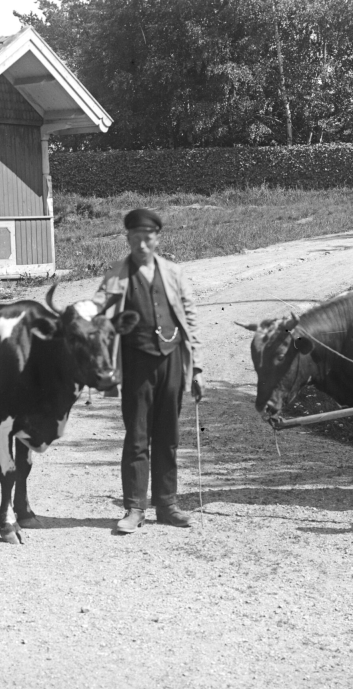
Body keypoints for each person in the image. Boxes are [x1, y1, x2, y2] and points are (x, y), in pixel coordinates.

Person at [94, 208, 204, 534]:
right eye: (136, 238)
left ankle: (168, 505)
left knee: (168, 435)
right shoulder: (114, 277)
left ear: (158, 238)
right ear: (127, 239)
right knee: (138, 436)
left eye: (148, 237)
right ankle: (134, 508)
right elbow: (97, 318)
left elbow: (192, 320)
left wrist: (196, 368)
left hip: (171, 360)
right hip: (135, 364)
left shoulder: (174, 273)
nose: (142, 244)